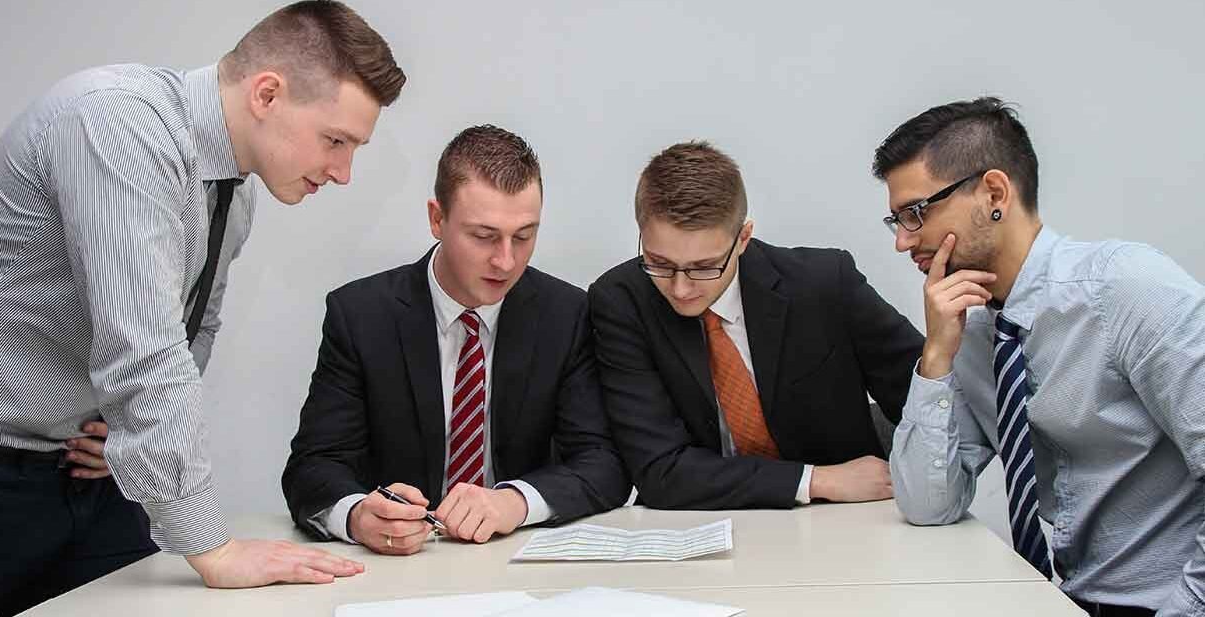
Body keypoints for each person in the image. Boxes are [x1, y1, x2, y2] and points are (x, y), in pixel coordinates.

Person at [0, 1, 406, 612]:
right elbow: (144, 351)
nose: (343, 172)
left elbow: (194, 330)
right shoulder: (118, 123)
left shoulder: (235, 193)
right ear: (267, 94)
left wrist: (128, 439)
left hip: (94, 479)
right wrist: (214, 547)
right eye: (335, 140)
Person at [878, 97, 1205, 616]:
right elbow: (926, 505)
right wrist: (936, 355)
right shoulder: (972, 331)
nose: (902, 241)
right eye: (895, 220)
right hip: (1067, 600)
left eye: (916, 213)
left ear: (994, 193)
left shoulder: (1127, 290)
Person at [282, 125, 630, 555]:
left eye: (524, 236)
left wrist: (514, 502)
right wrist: (357, 516)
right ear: (437, 219)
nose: (506, 261)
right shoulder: (361, 316)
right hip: (397, 565)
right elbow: (313, 467)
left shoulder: (566, 314)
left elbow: (604, 464)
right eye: (483, 236)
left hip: (515, 557)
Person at [588, 141, 923, 510]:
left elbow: (925, 401)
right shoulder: (621, 301)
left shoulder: (825, 283)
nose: (680, 288)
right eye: (660, 263)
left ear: (743, 238)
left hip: (849, 517)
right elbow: (660, 471)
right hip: (702, 521)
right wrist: (815, 480)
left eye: (705, 267)